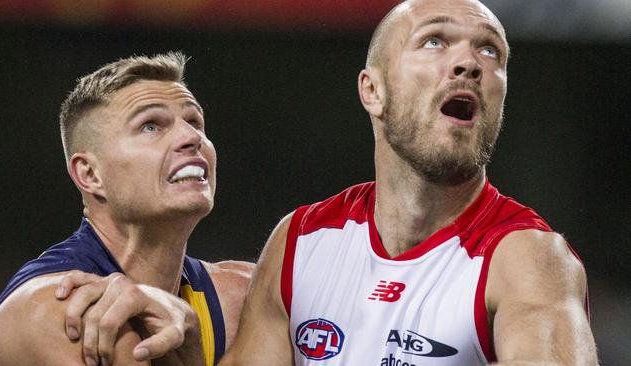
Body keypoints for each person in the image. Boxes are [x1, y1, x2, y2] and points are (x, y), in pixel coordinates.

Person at [218, 0, 598, 365]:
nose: (468, 63)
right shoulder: (301, 241)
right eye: (434, 41)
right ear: (373, 91)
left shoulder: (527, 257)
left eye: (489, 51)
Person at [0, 52, 253, 366]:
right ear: (90, 175)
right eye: (150, 126)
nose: (191, 137)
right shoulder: (62, 310)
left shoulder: (240, 296)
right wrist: (191, 344)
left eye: (194, 121)